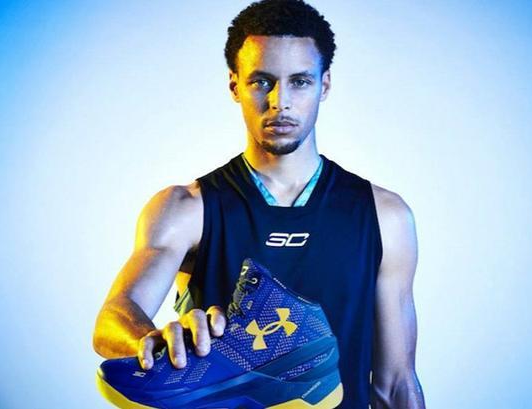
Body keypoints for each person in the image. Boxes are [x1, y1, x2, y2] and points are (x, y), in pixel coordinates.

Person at [93, 0, 426, 407]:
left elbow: (396, 383)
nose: (280, 101)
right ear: (235, 86)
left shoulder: (384, 216)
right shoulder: (188, 208)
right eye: (262, 81)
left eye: (299, 81)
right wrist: (156, 342)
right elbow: (113, 317)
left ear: (324, 85)